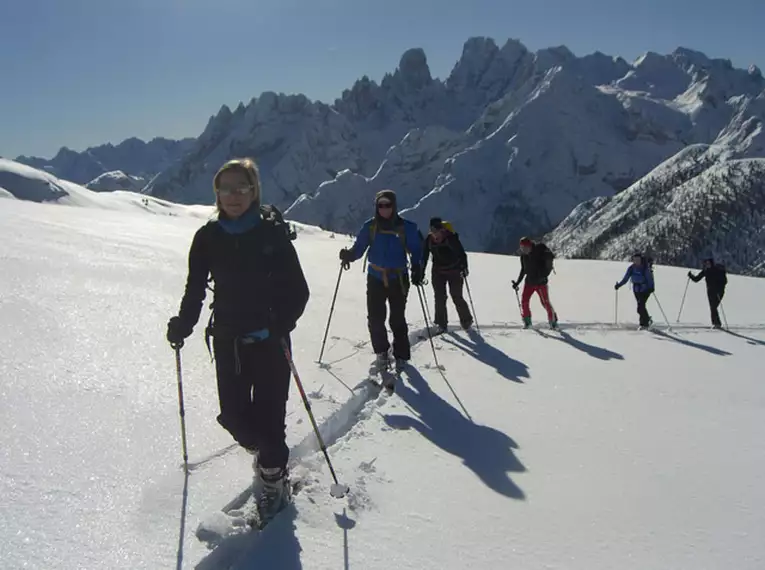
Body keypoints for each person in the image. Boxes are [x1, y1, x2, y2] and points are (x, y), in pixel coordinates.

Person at [165, 158, 309, 524]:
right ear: (216, 193)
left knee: (270, 420)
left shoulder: (271, 235)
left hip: (270, 342)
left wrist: (279, 325)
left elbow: (298, 291)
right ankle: (268, 455)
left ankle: (273, 480)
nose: (232, 196)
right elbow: (195, 288)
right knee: (232, 416)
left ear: (253, 191)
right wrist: (184, 323)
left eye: (240, 188)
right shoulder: (208, 238)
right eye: (225, 188)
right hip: (229, 340)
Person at [339, 189, 424, 374]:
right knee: (375, 319)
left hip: (398, 278)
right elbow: (359, 248)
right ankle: (382, 353)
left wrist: (418, 267)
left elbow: (418, 250)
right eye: (381, 205)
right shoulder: (370, 227)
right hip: (375, 277)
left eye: (388, 205)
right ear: (376, 207)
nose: (384, 209)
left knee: (397, 319)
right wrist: (349, 255)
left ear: (394, 206)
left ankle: (401, 355)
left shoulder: (406, 227)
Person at [422, 217, 473, 333]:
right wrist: (420, 272)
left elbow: (461, 254)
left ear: (442, 229)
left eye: (438, 230)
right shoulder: (429, 240)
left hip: (454, 270)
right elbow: (424, 257)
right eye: (433, 230)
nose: (436, 233)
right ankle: (441, 324)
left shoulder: (451, 238)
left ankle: (466, 320)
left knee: (456, 296)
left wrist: (464, 267)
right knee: (439, 297)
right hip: (438, 271)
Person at [512, 237, 557, 329]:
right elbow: (524, 270)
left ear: (529, 246)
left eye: (525, 248)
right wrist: (517, 282)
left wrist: (543, 275)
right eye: (521, 248)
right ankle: (527, 322)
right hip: (529, 282)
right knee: (524, 301)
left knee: (545, 302)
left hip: (541, 283)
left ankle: (553, 321)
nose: (523, 250)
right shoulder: (524, 256)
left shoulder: (538, 251)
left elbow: (547, 262)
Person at [615, 252, 654, 329]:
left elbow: (649, 279)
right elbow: (626, 278)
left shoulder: (645, 268)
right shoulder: (631, 268)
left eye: (638, 259)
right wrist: (619, 285)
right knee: (641, 306)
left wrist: (651, 288)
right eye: (634, 260)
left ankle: (645, 323)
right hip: (636, 290)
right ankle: (644, 322)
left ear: (641, 259)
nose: (636, 261)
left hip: (645, 290)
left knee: (640, 306)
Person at [689, 257, 727, 328]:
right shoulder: (706, 271)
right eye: (706, 264)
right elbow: (697, 279)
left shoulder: (717, 270)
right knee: (712, 307)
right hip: (710, 291)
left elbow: (724, 281)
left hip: (719, 291)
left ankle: (717, 323)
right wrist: (691, 276)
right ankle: (715, 323)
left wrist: (718, 287)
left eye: (708, 263)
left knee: (713, 307)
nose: (707, 265)